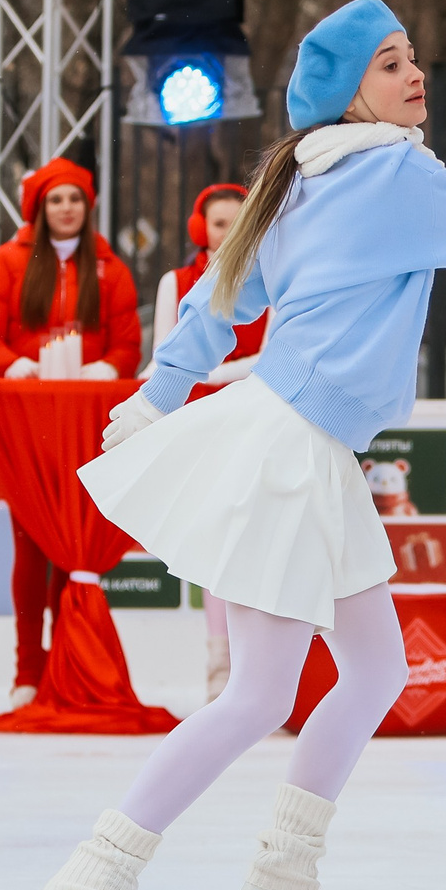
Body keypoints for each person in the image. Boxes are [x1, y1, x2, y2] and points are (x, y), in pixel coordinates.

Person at [13, 0, 446, 890]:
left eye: (413, 55)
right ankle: (90, 881)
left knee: (374, 667)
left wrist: (156, 392)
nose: (414, 74)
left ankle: (281, 884)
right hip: (288, 443)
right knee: (257, 692)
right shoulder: (387, 167)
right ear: (350, 93)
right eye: (390, 62)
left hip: (303, 442)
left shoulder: (298, 178)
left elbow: (222, 297)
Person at [0, 158, 142, 707]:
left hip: (85, 427)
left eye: (75, 200)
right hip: (27, 426)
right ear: (39, 209)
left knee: (76, 547)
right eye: (56, 200)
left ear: (88, 208)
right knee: (29, 550)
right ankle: (28, 671)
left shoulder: (110, 267)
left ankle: (73, 664)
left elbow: (128, 342)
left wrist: (107, 368)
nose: (66, 209)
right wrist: (14, 366)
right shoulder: (9, 262)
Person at [151, 182, 268, 703]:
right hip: (201, 422)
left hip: (261, 417)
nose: (226, 232)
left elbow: (279, 352)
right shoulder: (176, 281)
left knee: (258, 542)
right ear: (202, 229)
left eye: (235, 221)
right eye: (218, 223)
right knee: (217, 544)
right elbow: (163, 356)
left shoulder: (273, 273)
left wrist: (215, 370)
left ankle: (257, 662)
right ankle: (220, 659)